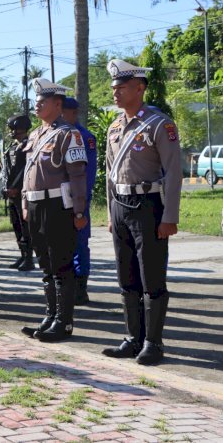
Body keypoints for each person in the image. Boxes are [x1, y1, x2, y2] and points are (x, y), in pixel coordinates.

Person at [102, 59, 182, 365]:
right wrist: (111, 213)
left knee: (152, 277)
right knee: (127, 277)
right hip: (120, 206)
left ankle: (153, 343)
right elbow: (110, 172)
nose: (116, 93)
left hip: (148, 206)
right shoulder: (115, 127)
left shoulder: (160, 124)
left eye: (121, 87)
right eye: (113, 88)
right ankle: (132, 338)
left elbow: (173, 173)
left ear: (140, 88)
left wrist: (169, 217)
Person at [20, 78, 88, 343]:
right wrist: (26, 202)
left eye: (41, 101)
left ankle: (64, 322)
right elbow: (28, 172)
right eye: (35, 101)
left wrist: (80, 211)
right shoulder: (37, 134)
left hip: (58, 205)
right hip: (36, 204)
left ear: (57, 104)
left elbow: (77, 175)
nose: (36, 106)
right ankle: (50, 316)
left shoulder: (68, 134)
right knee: (45, 264)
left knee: (61, 264)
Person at [62, 97, 97, 305]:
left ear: (73, 113)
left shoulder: (85, 137)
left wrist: (81, 203)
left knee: (79, 244)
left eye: (63, 111)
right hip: (59, 200)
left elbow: (88, 174)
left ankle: (80, 288)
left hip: (78, 199)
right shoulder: (57, 134)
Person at [2, 114, 35, 271]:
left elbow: (25, 170)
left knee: (24, 226)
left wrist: (16, 187)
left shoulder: (29, 145)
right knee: (16, 224)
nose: (11, 132)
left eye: (14, 129)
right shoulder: (12, 146)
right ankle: (22, 255)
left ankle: (29, 258)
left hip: (21, 191)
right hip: (11, 191)